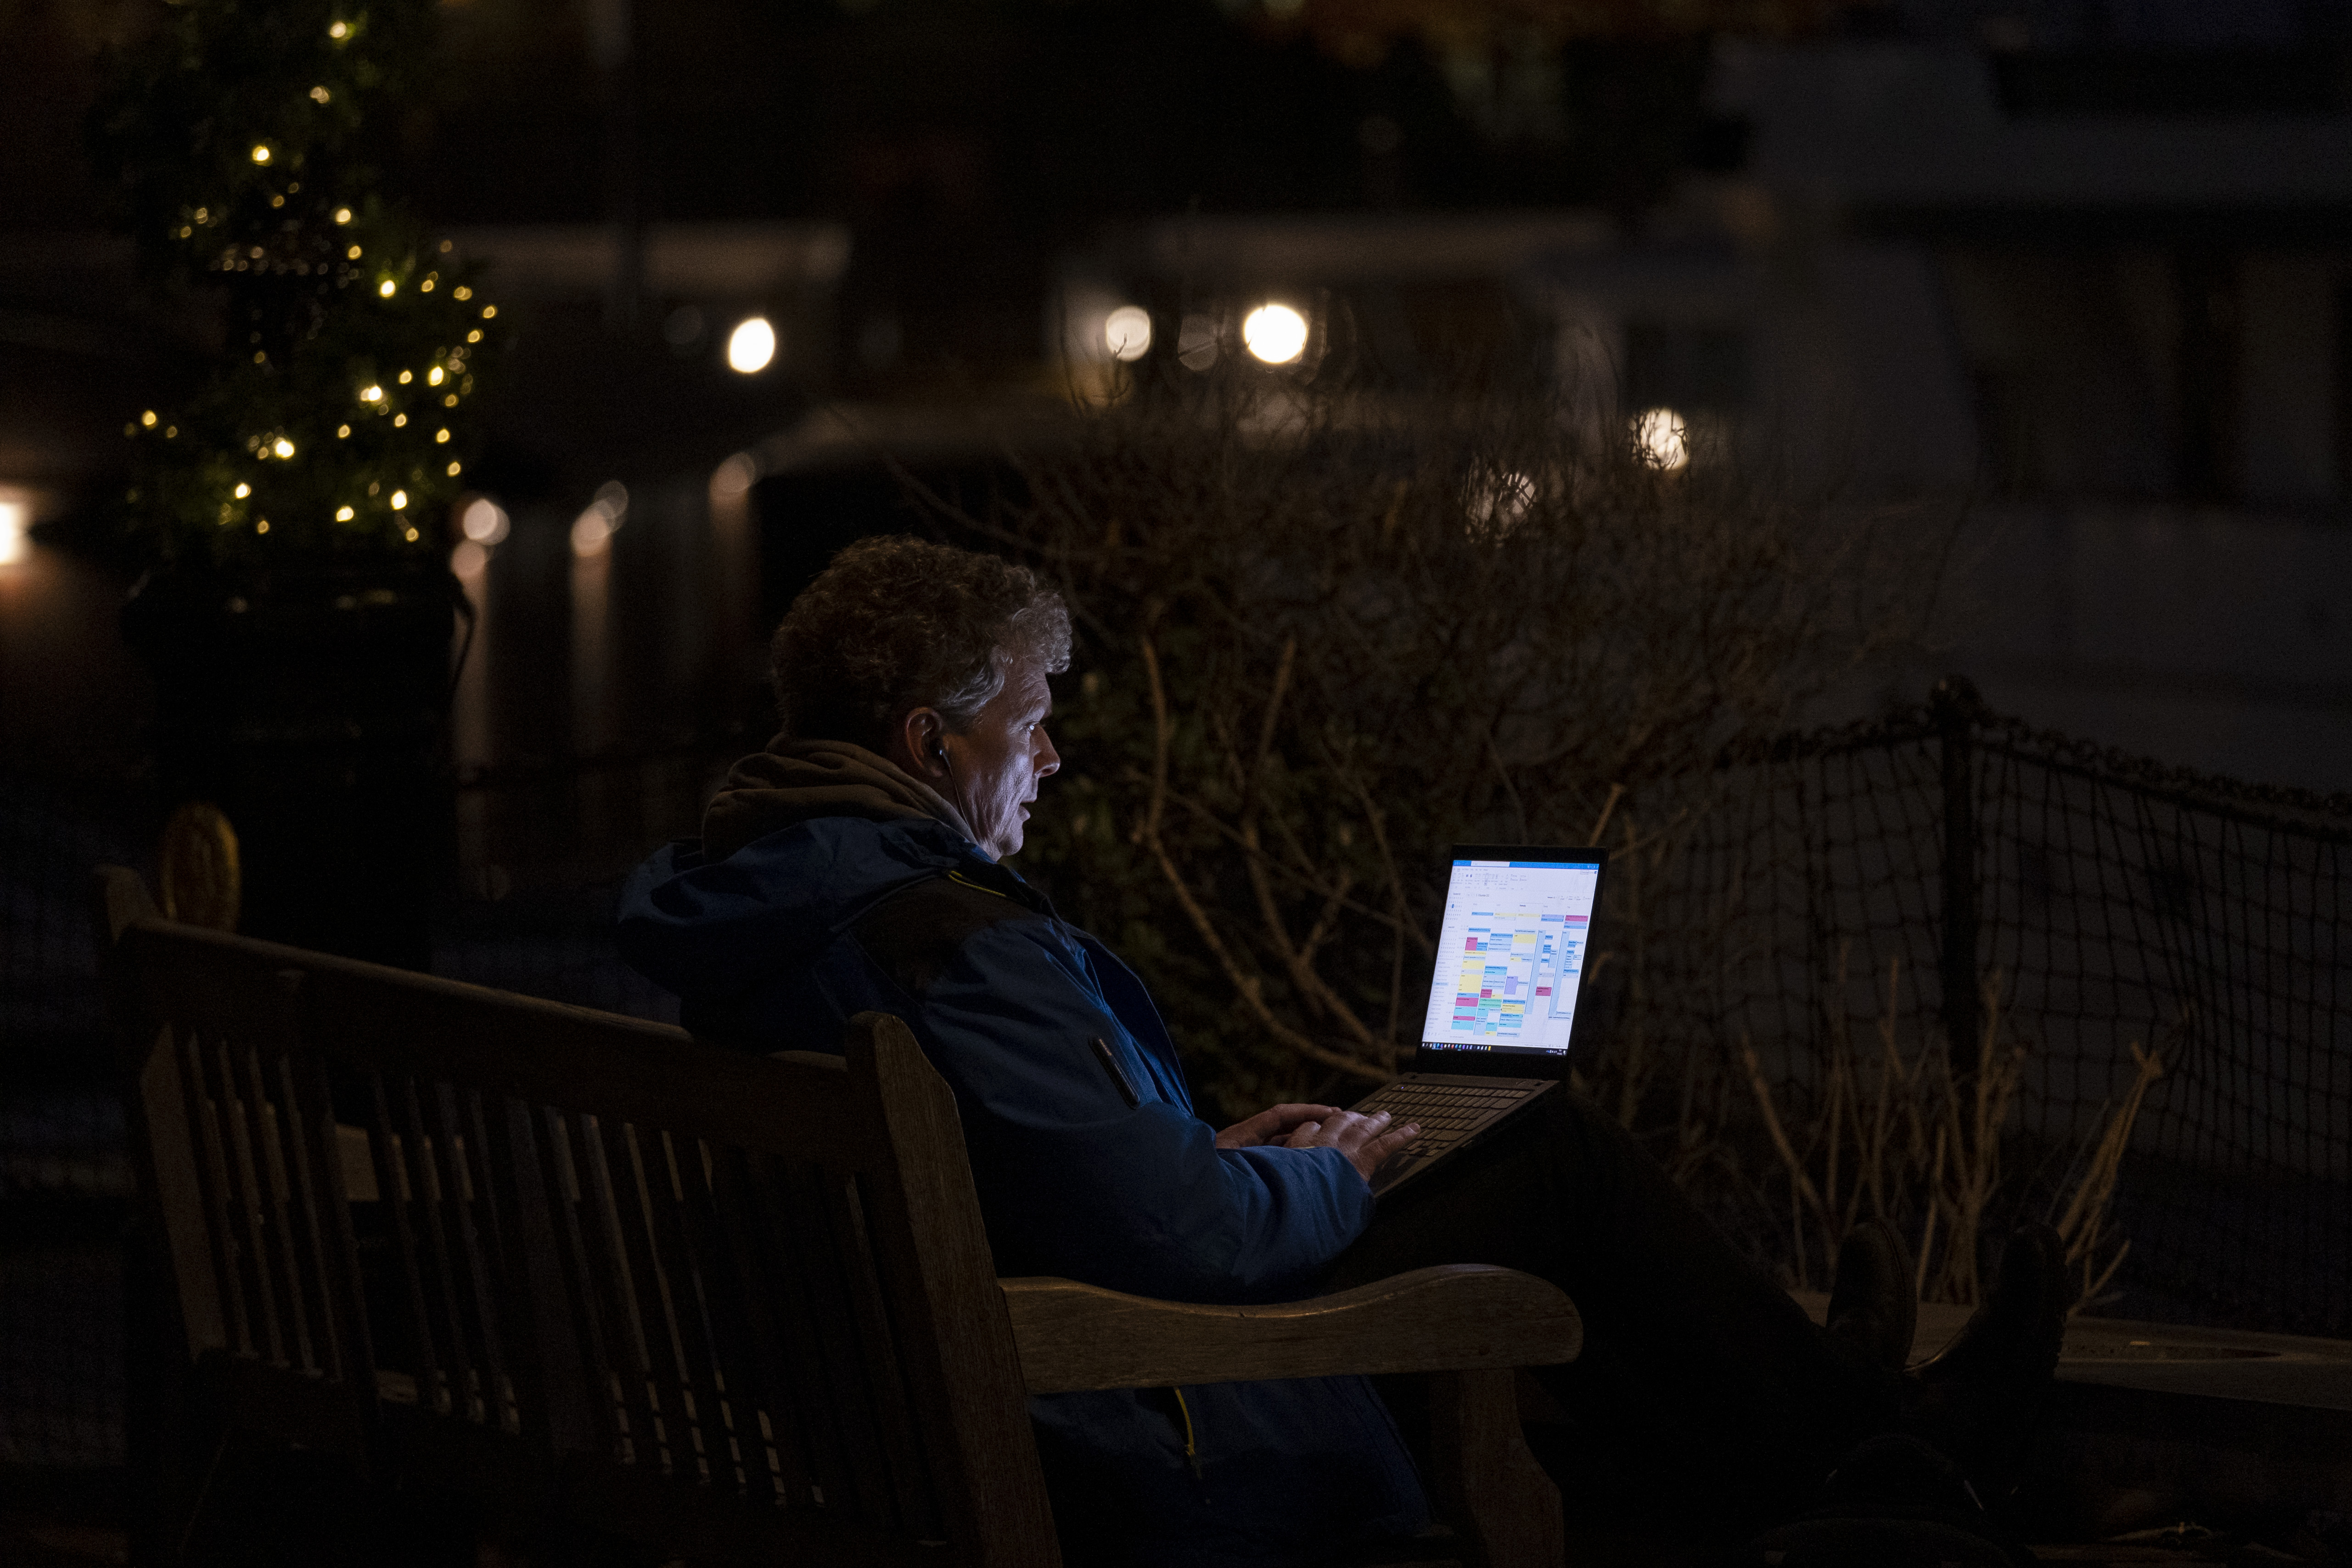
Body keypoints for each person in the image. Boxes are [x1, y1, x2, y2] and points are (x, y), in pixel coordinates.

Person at [617, 537, 2065, 1568]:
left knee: (1503, 1179)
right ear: (931, 744)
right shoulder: (944, 933)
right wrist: (1328, 1183)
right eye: (1031, 724)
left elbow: (1031, 1171)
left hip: (917, 1408)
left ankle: (1850, 1428)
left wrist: (1212, 1153)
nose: (1051, 760)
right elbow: (1181, 1241)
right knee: (1545, 1158)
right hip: (1129, 1425)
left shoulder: (772, 899)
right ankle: (1895, 1446)